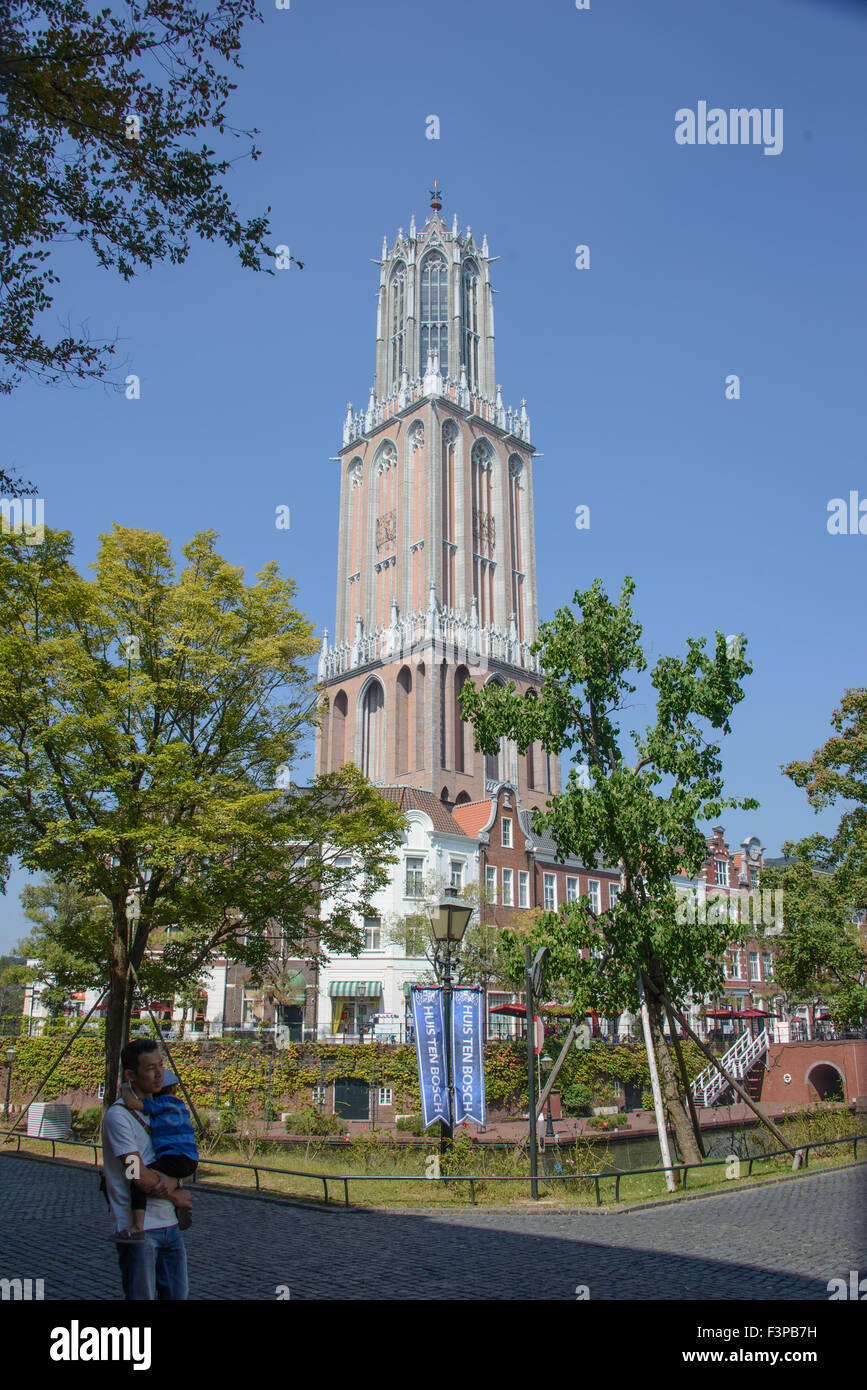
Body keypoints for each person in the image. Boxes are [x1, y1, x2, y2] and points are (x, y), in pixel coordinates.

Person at [101, 1040, 191, 1300]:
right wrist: (175, 1193)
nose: (159, 1073)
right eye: (151, 1068)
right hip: (138, 1231)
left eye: (160, 1066)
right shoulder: (119, 1118)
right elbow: (134, 1173)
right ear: (130, 1075)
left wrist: (176, 1181)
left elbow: (182, 1157)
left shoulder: (161, 1111)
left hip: (170, 1225)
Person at [119, 1067, 198, 1236]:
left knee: (136, 1179)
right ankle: (177, 1198)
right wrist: (176, 1185)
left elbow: (136, 1174)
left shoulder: (156, 1105)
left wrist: (124, 1088)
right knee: (147, 1176)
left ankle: (137, 1225)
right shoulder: (179, 1106)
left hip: (172, 1159)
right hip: (189, 1158)